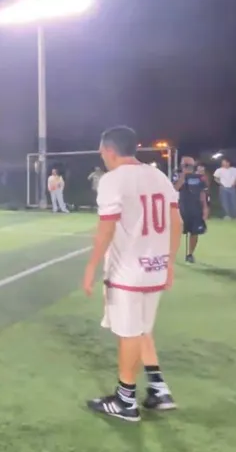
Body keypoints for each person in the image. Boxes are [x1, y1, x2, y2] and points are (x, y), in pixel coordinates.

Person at [82, 125, 180, 422]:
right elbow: (176, 222)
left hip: (128, 271)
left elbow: (106, 228)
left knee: (128, 334)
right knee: (141, 329)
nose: (101, 156)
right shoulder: (158, 176)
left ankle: (125, 400)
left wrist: (91, 267)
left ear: (110, 150)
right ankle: (158, 388)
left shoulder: (112, 180)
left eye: (102, 151)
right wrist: (170, 263)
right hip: (155, 268)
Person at [173, 156, 209, 263]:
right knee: (176, 232)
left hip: (196, 208)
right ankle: (172, 253)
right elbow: (175, 188)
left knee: (194, 232)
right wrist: (183, 176)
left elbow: (203, 193)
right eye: (185, 165)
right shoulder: (177, 175)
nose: (187, 167)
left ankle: (190, 254)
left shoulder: (199, 177)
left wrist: (205, 207)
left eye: (189, 165)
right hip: (182, 208)